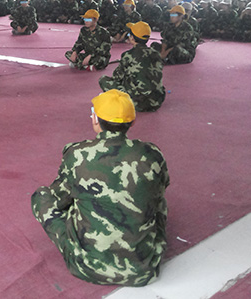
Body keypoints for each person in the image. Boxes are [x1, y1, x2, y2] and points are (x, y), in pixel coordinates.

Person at [32, 90, 169, 286]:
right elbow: (162, 188)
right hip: (144, 269)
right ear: (132, 122)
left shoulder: (77, 154)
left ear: (95, 119)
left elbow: (58, 198)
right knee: (159, 202)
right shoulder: (151, 153)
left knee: (41, 197)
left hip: (86, 267)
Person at [99, 22, 165, 112]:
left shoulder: (128, 55)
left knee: (103, 80)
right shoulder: (156, 54)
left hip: (137, 103)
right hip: (156, 101)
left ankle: (123, 101)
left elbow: (117, 77)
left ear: (132, 38)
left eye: (129, 35)